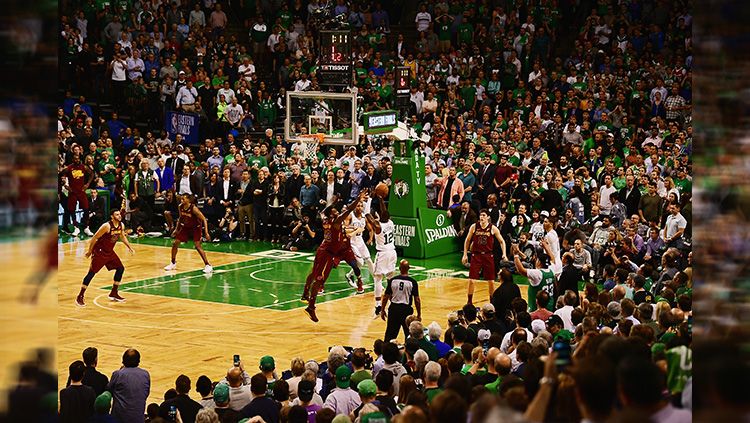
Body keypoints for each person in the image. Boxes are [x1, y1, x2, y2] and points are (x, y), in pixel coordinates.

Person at [302, 190, 368, 322]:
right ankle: (311, 307)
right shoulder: (336, 222)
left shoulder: (325, 218)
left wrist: (335, 202)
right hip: (327, 253)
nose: (337, 212)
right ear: (332, 215)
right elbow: (349, 210)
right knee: (320, 280)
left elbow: (325, 210)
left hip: (324, 250)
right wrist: (357, 199)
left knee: (314, 273)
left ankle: (305, 292)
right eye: (335, 212)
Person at [76, 209, 134, 307]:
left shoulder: (121, 225)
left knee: (120, 268)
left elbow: (122, 237)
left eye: (119, 214)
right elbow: (94, 238)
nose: (119, 216)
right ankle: (80, 296)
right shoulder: (106, 226)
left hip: (109, 252)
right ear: (112, 216)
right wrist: (90, 251)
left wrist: (129, 247)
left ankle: (113, 293)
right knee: (91, 273)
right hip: (99, 252)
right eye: (117, 214)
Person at [462, 209, 508, 306]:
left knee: (491, 281)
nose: (481, 217)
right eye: (480, 215)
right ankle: (469, 302)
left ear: (488, 217)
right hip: (476, 255)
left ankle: (492, 301)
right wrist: (465, 254)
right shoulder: (474, 227)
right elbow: (467, 240)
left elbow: (502, 241)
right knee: (471, 280)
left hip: (488, 255)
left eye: (483, 215)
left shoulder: (493, 228)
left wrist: (504, 253)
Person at [365, 193, 398, 317]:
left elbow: (368, 216)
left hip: (383, 253)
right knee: (390, 278)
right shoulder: (390, 222)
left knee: (377, 278)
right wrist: (380, 200)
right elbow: (384, 212)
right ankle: (393, 301)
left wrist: (369, 200)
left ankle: (378, 306)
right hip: (392, 252)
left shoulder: (378, 226)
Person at [163, 194, 213, 273]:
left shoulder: (193, 208)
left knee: (197, 246)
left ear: (189, 200)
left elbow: (204, 219)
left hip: (196, 228)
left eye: (183, 199)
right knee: (175, 243)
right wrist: (176, 229)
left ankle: (208, 265)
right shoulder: (180, 207)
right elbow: (180, 218)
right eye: (181, 199)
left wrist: (206, 233)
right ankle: (173, 263)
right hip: (186, 227)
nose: (182, 200)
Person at [512, 238, 560, 312]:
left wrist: (515, 255)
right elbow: (552, 258)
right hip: (550, 306)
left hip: (536, 308)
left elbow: (521, 270)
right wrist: (546, 246)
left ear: (539, 262)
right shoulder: (551, 269)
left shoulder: (538, 274)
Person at [380, 259, 421, 343]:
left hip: (394, 309)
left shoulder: (392, 280)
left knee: (390, 334)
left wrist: (382, 310)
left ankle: (385, 353)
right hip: (406, 310)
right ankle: (409, 352)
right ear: (409, 268)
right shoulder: (412, 282)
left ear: (399, 268)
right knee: (409, 335)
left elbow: (385, 297)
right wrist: (419, 314)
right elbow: (417, 299)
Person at [108, 349, 151, 423]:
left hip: (119, 419)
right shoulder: (145, 374)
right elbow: (146, 393)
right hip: (138, 419)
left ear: (123, 361)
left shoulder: (118, 374)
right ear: (138, 361)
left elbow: (108, 391)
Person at [344, 199, 376, 300]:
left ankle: (377, 282)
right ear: (354, 207)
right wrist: (354, 230)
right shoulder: (350, 216)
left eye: (361, 206)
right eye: (357, 206)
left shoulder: (364, 217)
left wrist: (370, 238)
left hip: (360, 241)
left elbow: (370, 230)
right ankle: (349, 275)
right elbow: (345, 228)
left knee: (369, 261)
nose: (359, 208)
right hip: (352, 242)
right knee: (361, 263)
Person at [60, 154, 94, 236]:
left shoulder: (84, 167)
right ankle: (76, 227)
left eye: (78, 159)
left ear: (79, 159)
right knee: (72, 210)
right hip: (72, 192)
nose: (77, 160)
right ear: (73, 160)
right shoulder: (69, 168)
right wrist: (65, 185)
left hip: (81, 191)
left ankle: (86, 227)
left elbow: (92, 174)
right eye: (75, 159)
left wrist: (87, 184)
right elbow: (61, 175)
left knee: (86, 209)